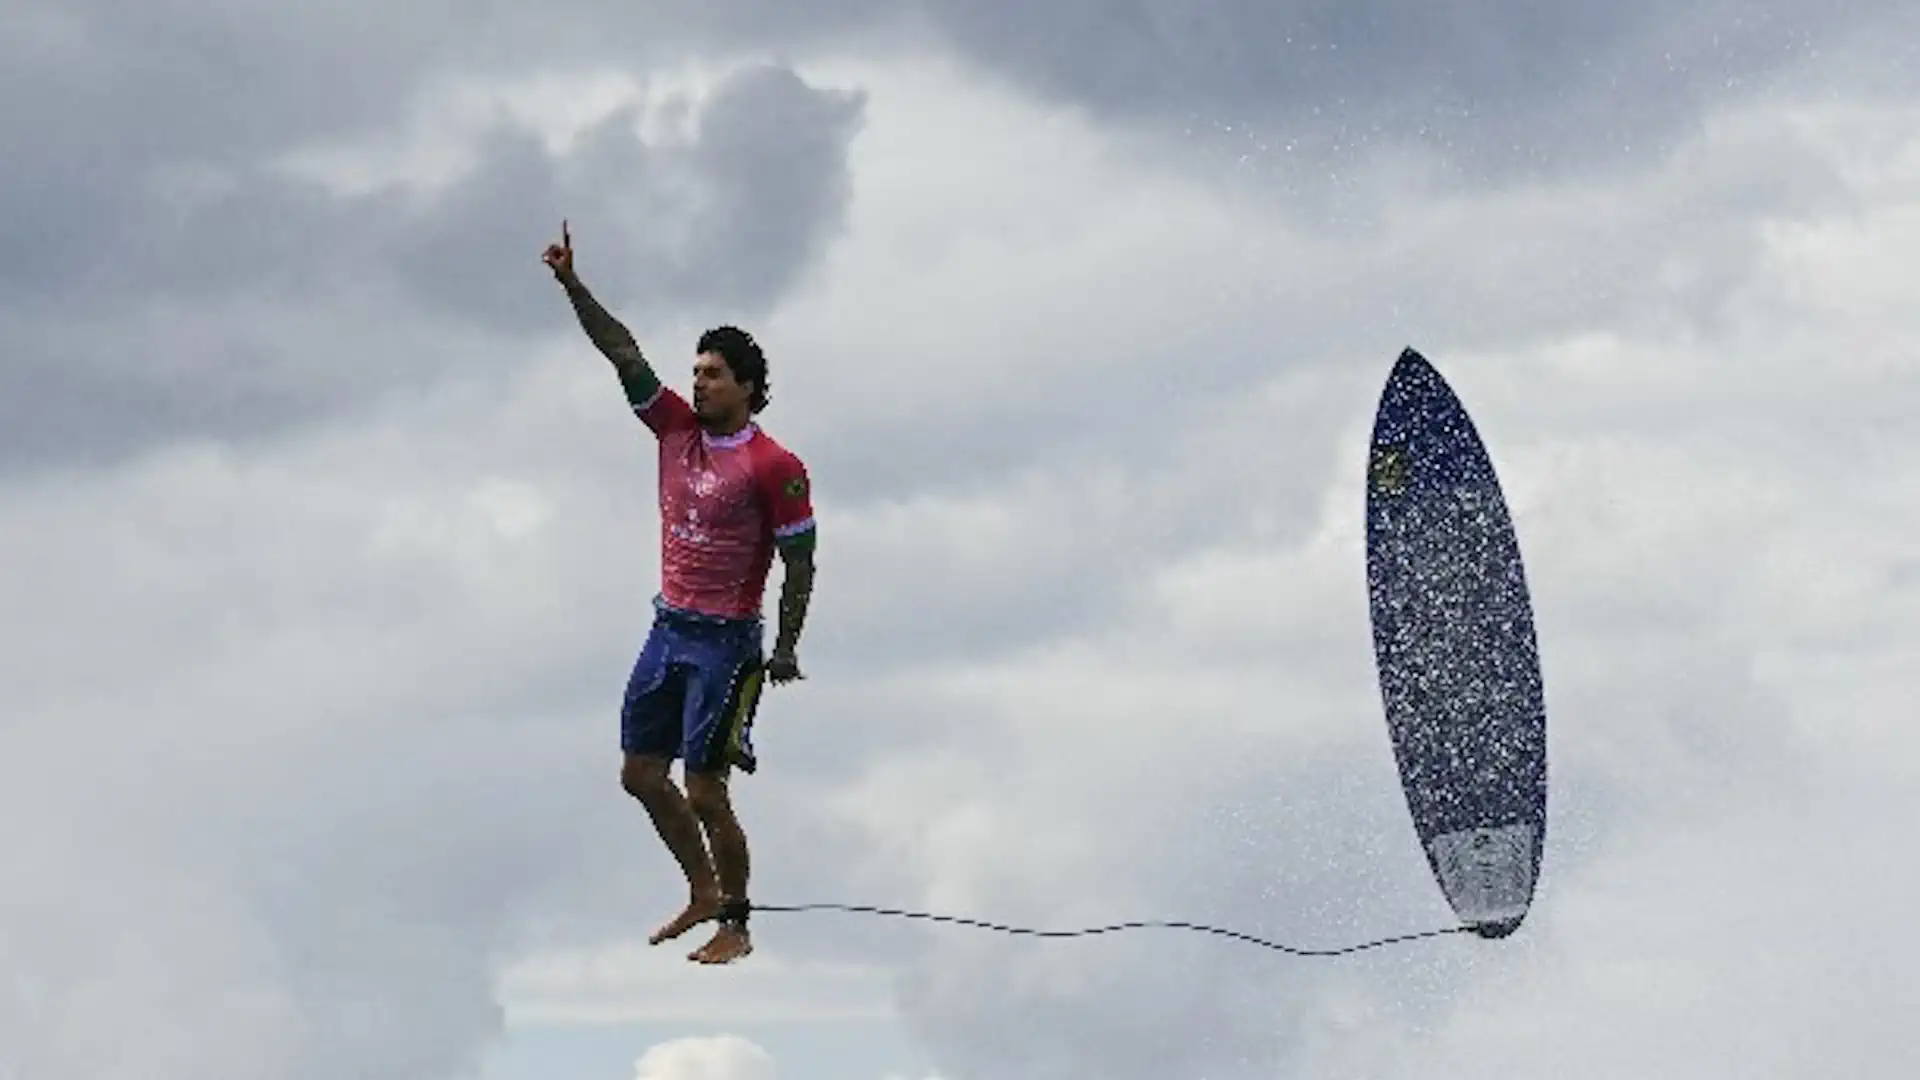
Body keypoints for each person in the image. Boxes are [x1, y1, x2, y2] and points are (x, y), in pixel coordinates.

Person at [541, 220, 817, 965]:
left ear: (750, 388)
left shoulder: (774, 464)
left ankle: (736, 921)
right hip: (667, 628)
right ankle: (700, 889)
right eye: (696, 372)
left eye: (714, 375)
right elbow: (622, 351)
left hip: (727, 643)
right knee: (638, 775)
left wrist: (786, 648)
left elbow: (801, 561)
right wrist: (572, 285)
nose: (698, 383)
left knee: (705, 789)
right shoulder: (672, 430)